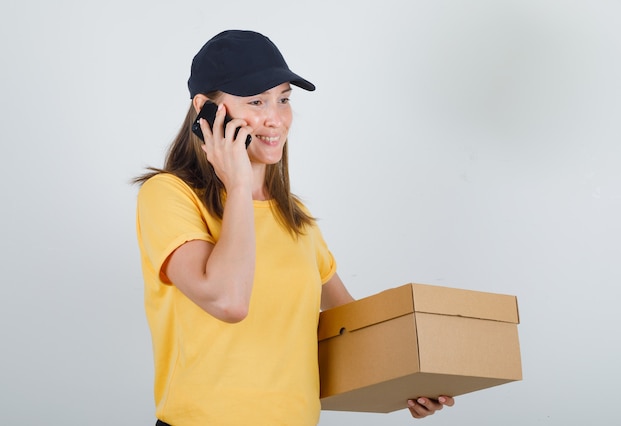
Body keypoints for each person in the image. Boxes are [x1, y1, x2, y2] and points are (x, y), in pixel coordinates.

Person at [134, 29, 454, 426]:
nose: (276, 118)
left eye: (283, 99)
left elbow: (350, 330)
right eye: (256, 101)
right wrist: (236, 184)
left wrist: (410, 381)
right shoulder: (169, 196)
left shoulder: (294, 216)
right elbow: (228, 302)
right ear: (205, 109)